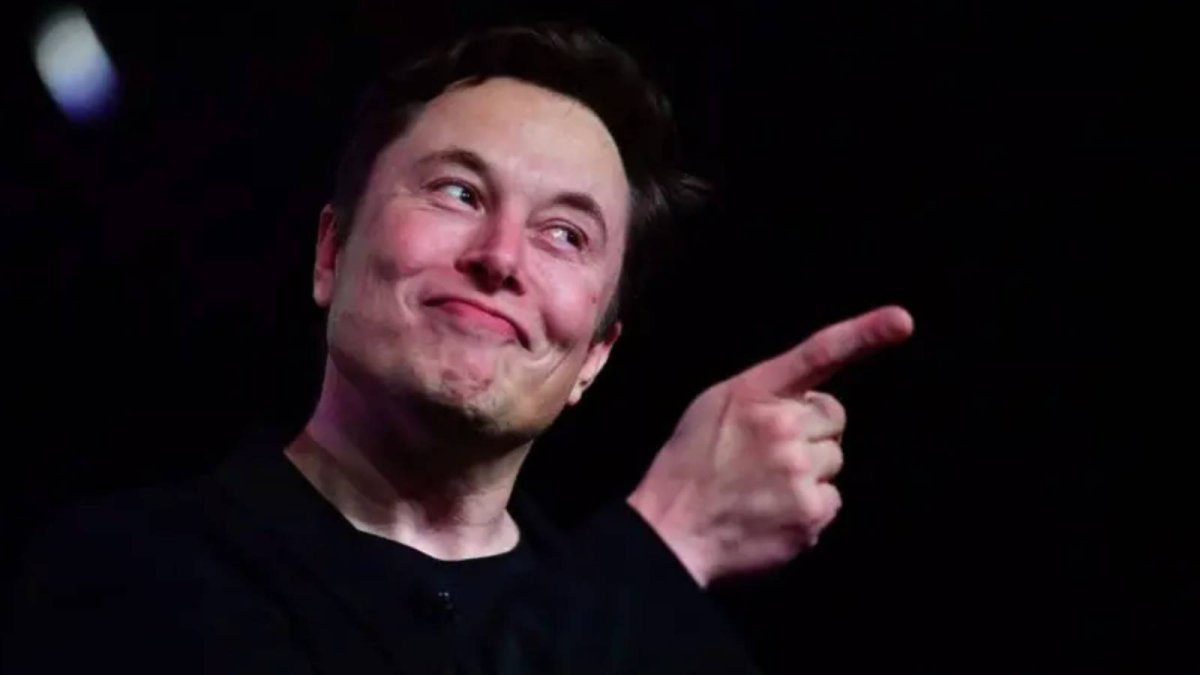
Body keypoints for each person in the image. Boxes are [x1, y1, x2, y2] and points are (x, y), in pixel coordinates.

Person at [2, 22, 914, 674]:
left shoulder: (682, 645)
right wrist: (669, 538)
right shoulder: (126, 573)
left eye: (566, 235)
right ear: (331, 253)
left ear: (595, 356)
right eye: (458, 193)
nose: (500, 258)